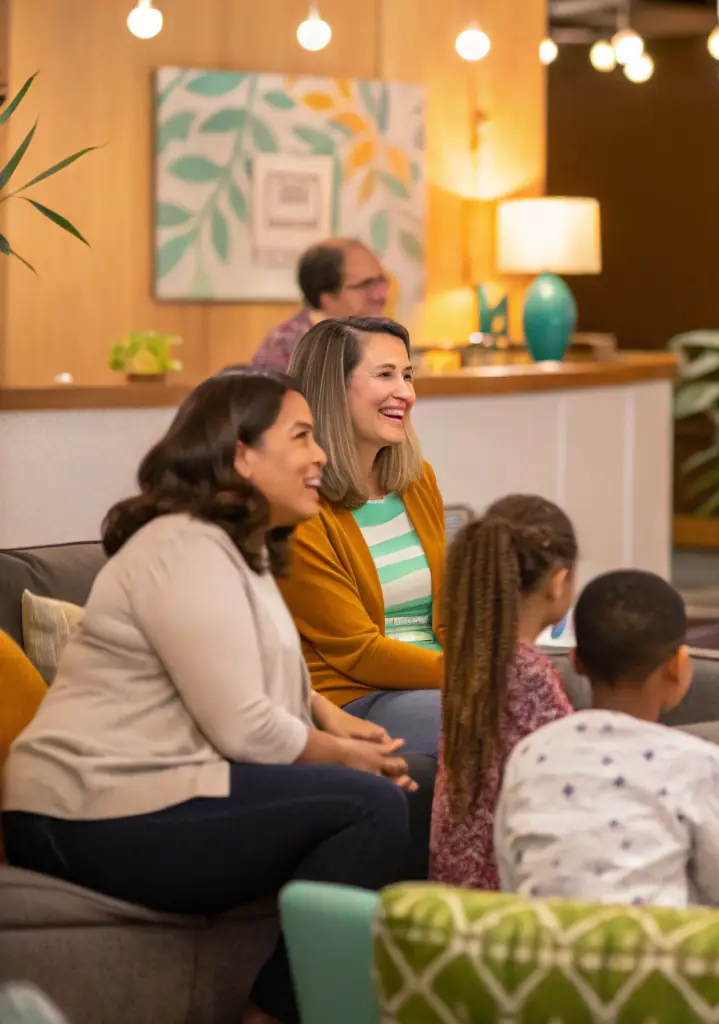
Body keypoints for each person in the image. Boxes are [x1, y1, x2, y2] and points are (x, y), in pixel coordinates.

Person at [1, 370, 414, 1024]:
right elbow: (245, 728)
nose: (320, 456)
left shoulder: (241, 551)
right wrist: (340, 756)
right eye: (302, 436)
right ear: (241, 455)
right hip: (83, 812)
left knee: (382, 801)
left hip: (153, 792)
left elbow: (270, 673)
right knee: (369, 808)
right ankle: (270, 1015)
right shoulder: (182, 547)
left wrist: (335, 722)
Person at [495, 570, 719, 908]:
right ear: (677, 666)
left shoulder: (528, 755)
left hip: (546, 949)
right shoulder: (700, 763)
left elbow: (509, 873)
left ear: (576, 662)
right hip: (651, 951)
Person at [277, 317, 446, 759]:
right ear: (333, 388)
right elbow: (359, 652)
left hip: (437, 677)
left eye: (408, 376)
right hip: (355, 696)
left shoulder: (418, 481)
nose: (406, 393)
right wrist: (471, 673)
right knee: (486, 721)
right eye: (386, 375)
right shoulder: (300, 506)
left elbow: (447, 613)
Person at [429, 495, 579, 889]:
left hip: (458, 886)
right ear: (559, 583)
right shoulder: (530, 674)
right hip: (514, 890)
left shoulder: (473, 662)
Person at [249, 239, 389, 373]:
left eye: (381, 282)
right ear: (327, 299)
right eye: (365, 285)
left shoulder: (383, 338)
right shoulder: (285, 347)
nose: (380, 295)